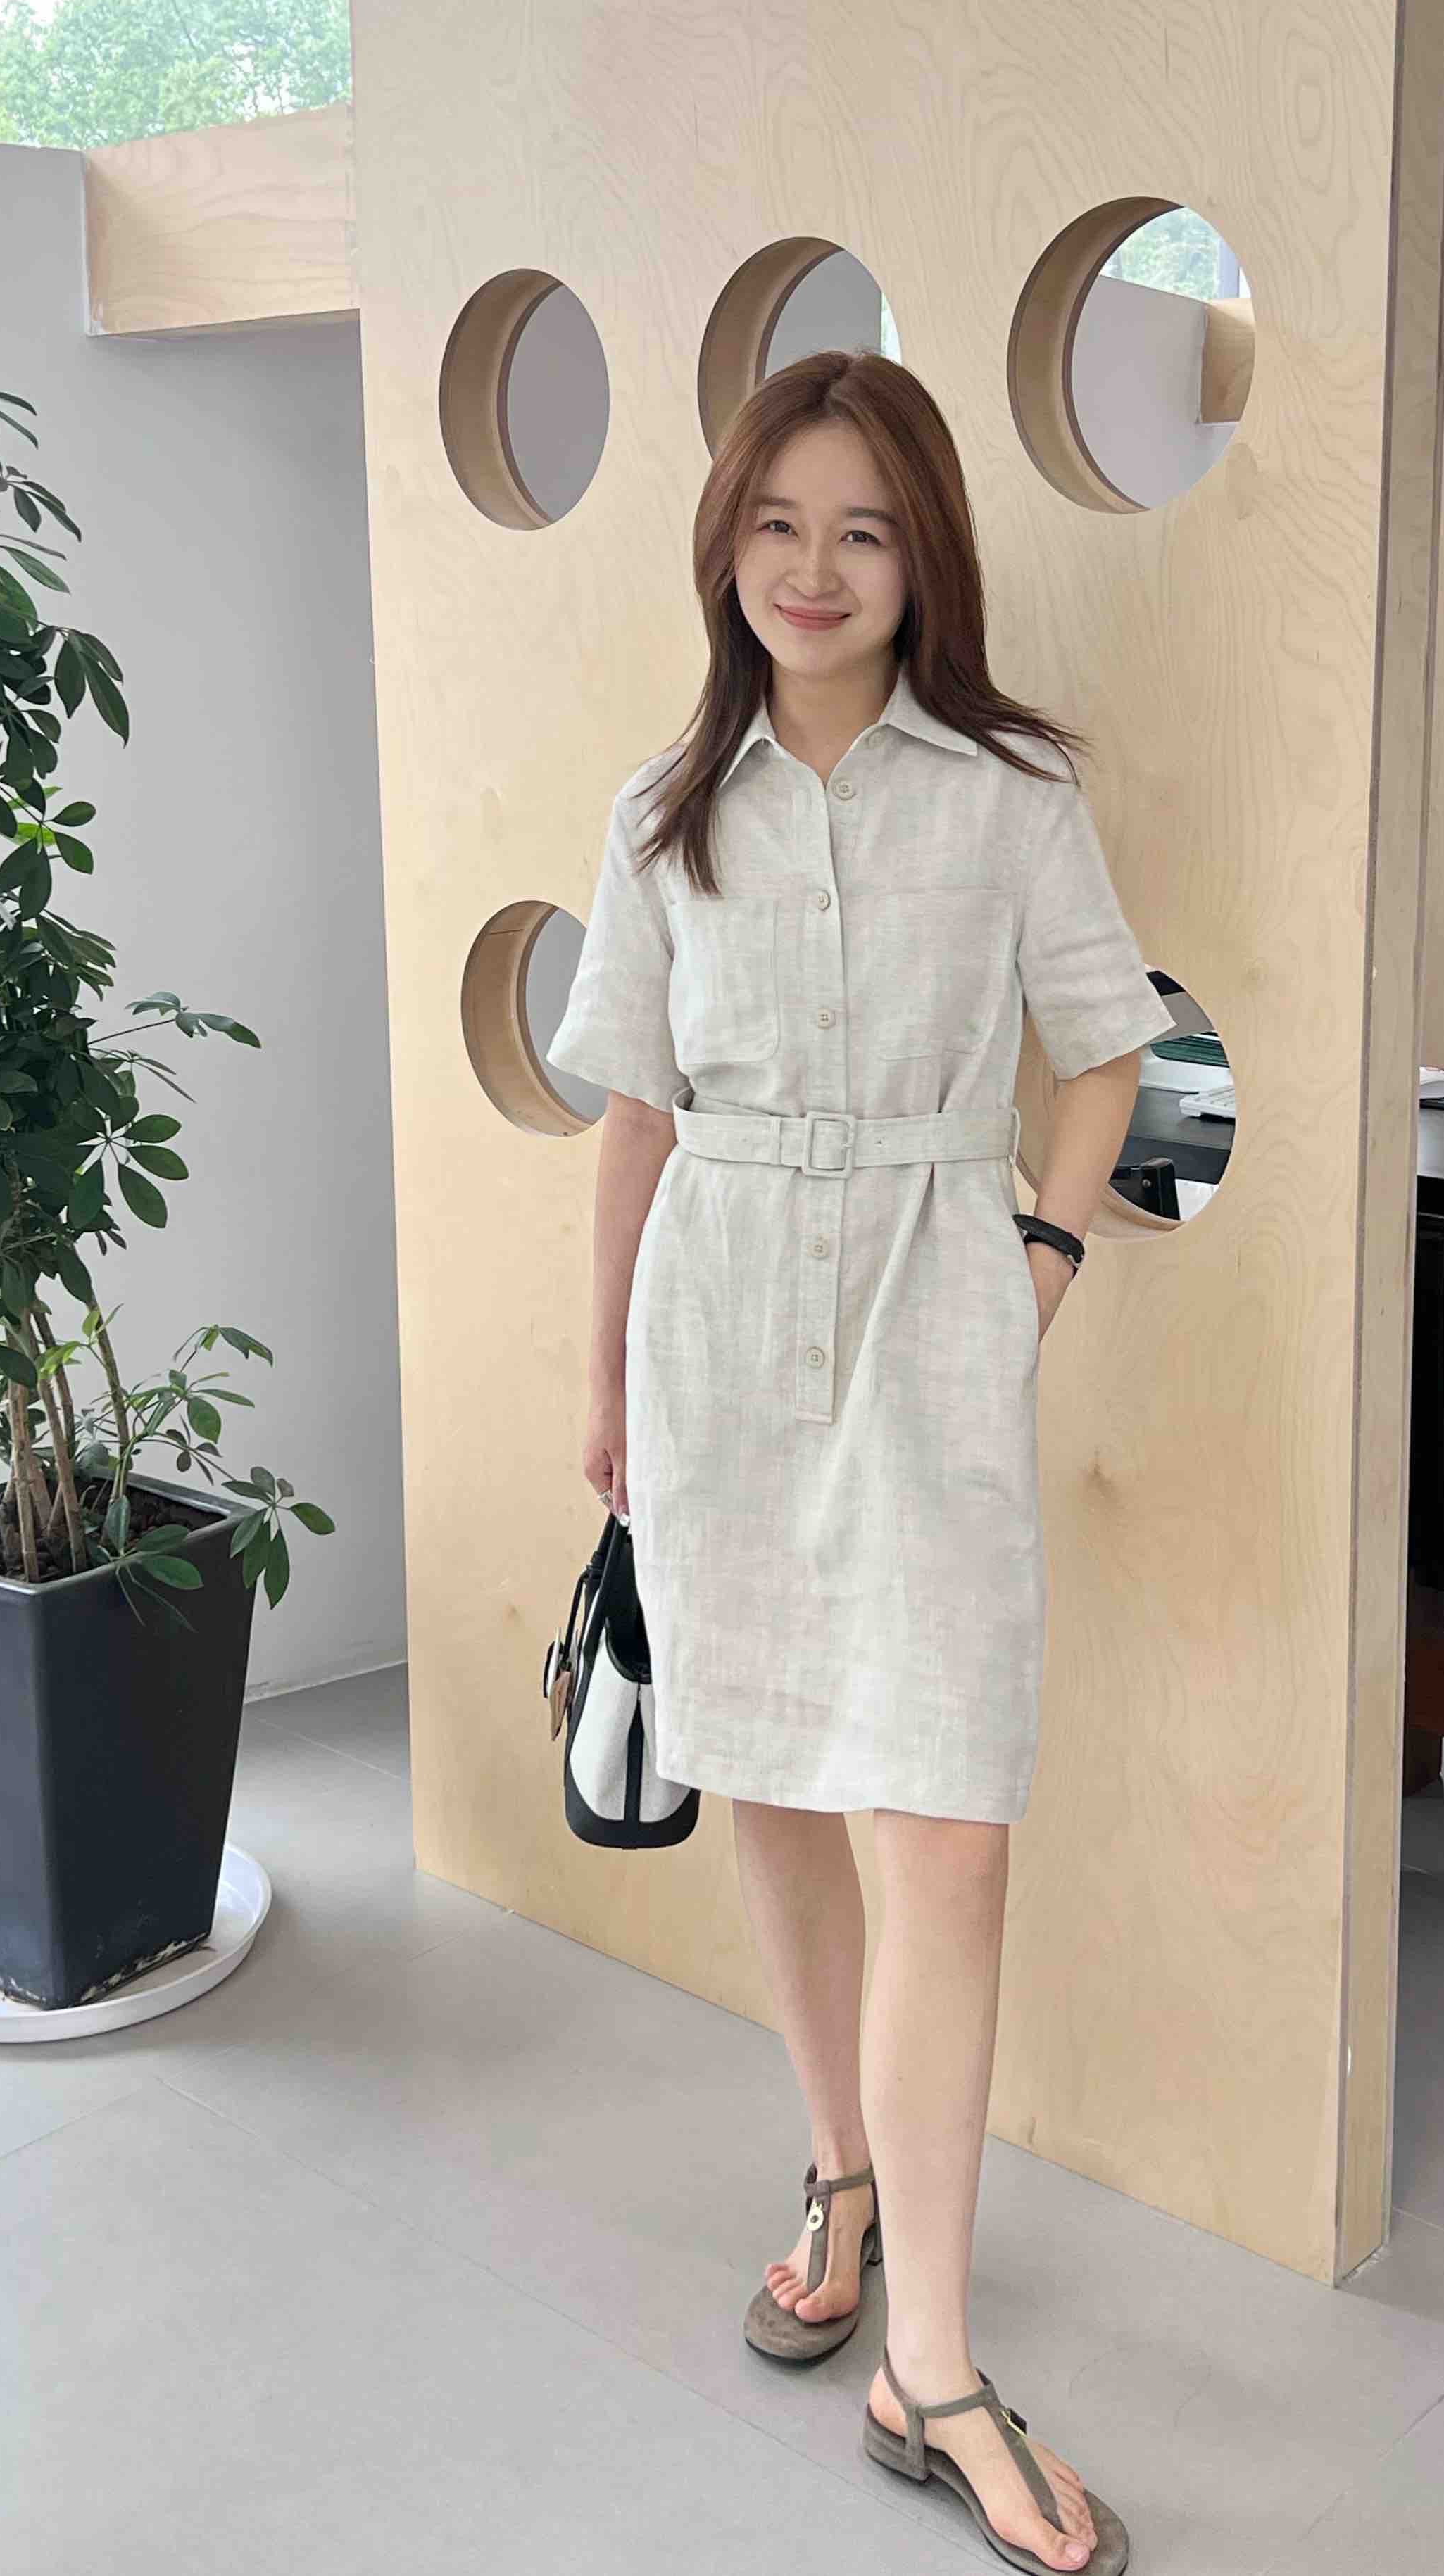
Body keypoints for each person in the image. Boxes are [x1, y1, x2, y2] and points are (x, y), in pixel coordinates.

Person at [545, 349, 1163, 2576]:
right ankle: (840, 2167)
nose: (813, 569)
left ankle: (935, 2362)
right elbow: (634, 1115)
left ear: (923, 562)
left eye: (863, 530)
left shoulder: (1008, 793)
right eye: (778, 523)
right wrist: (605, 1384)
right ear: (727, 544)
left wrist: (1035, 1258)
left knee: (950, 1832)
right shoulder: (661, 811)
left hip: (926, 1313)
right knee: (782, 1783)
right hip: (713, 1327)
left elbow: (1106, 1047)